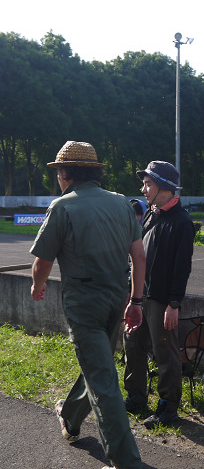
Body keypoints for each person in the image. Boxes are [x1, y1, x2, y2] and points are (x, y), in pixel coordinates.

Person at [30, 141, 146, 469]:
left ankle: (126, 461)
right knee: (100, 364)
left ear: (65, 174)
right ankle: (69, 416)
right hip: (118, 298)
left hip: (84, 303)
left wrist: (38, 286)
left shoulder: (63, 206)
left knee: (103, 380)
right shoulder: (122, 203)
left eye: (58, 172)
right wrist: (136, 300)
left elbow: (42, 262)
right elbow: (139, 256)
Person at [123, 160, 195, 428]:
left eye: (148, 184)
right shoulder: (151, 214)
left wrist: (174, 304)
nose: (143, 189)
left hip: (162, 300)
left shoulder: (182, 222)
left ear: (164, 187)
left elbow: (182, 268)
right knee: (132, 345)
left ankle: (167, 407)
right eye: (144, 184)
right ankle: (135, 397)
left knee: (165, 352)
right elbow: (138, 257)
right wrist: (132, 295)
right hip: (139, 295)